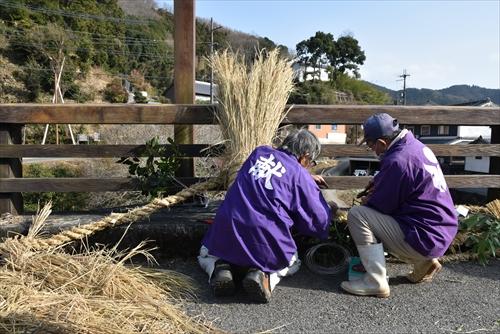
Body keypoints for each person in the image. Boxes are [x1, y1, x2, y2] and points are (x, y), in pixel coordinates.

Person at [198, 129, 336, 303]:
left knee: (206, 252)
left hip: (227, 231)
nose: (310, 166)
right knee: (293, 261)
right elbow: (319, 222)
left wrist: (305, 177)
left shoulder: (259, 153)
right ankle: (263, 276)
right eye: (311, 162)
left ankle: (219, 268)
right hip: (265, 242)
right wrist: (330, 209)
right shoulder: (300, 175)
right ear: (305, 156)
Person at [340, 113, 458, 298]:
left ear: (382, 141)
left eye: (371, 145)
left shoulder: (397, 161)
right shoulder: (415, 147)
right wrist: (381, 180)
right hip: (441, 230)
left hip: (425, 237)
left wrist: (367, 201)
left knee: (358, 214)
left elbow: (381, 207)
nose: (373, 150)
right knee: (376, 215)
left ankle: (375, 281)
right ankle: (424, 262)